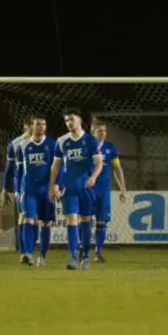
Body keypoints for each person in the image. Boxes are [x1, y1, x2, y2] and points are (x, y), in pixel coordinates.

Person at [49, 108, 103, 270]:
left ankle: (85, 256)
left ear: (79, 119)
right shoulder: (61, 141)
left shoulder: (91, 140)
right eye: (66, 120)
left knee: (85, 220)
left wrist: (93, 177)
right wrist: (53, 184)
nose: (69, 123)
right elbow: (56, 165)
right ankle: (73, 257)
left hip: (85, 188)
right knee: (71, 220)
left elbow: (99, 163)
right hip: (69, 188)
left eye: (71, 119)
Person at [16, 115, 58, 267]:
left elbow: (58, 167)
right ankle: (27, 253)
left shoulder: (53, 145)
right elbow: (19, 169)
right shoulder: (23, 146)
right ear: (31, 126)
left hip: (46, 190)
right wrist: (17, 189)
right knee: (28, 219)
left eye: (43, 124)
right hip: (28, 189)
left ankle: (42, 256)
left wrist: (56, 185)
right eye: (38, 124)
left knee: (45, 223)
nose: (41, 127)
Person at [90, 118, 128, 262]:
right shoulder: (86, 147)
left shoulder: (110, 148)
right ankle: (82, 248)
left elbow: (117, 169)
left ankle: (98, 253)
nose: (103, 134)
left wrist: (123, 189)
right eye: (100, 131)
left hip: (104, 191)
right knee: (84, 220)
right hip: (88, 190)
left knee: (102, 221)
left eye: (105, 131)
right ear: (93, 132)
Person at [2, 118, 32, 259]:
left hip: (37, 185)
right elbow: (9, 169)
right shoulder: (15, 145)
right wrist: (6, 188)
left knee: (34, 217)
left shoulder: (40, 142)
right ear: (25, 127)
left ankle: (29, 249)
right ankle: (23, 251)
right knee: (23, 215)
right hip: (20, 184)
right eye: (32, 126)